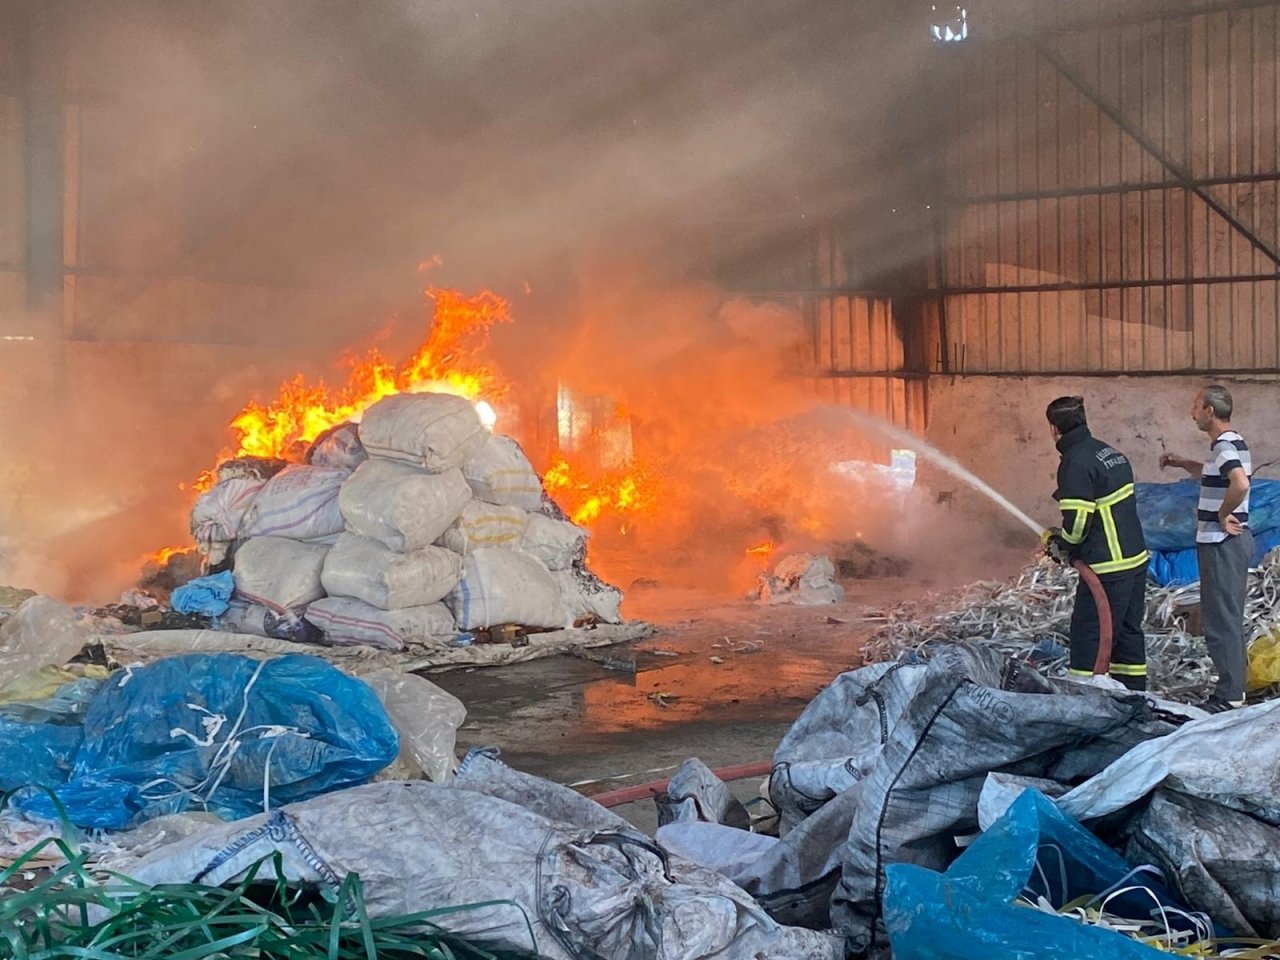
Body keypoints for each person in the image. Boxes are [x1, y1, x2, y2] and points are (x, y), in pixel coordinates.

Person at [1044, 396, 1150, 689]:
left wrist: (1063, 545)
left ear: (1054, 428)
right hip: (1135, 559)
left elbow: (1078, 521)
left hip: (1107, 566)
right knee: (1127, 633)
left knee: (1089, 632)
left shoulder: (1074, 462)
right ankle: (1132, 696)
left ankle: (1082, 697)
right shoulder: (1108, 452)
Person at [1159, 384, 1253, 712]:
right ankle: (1236, 688)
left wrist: (1223, 514)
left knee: (1220, 620)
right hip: (1226, 543)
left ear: (1210, 411)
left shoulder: (1225, 446)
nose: (1192, 412)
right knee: (1227, 617)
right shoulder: (1229, 445)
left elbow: (1240, 483)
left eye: (1196, 406)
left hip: (1221, 542)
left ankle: (1230, 697)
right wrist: (1184, 463)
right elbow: (1218, 476)